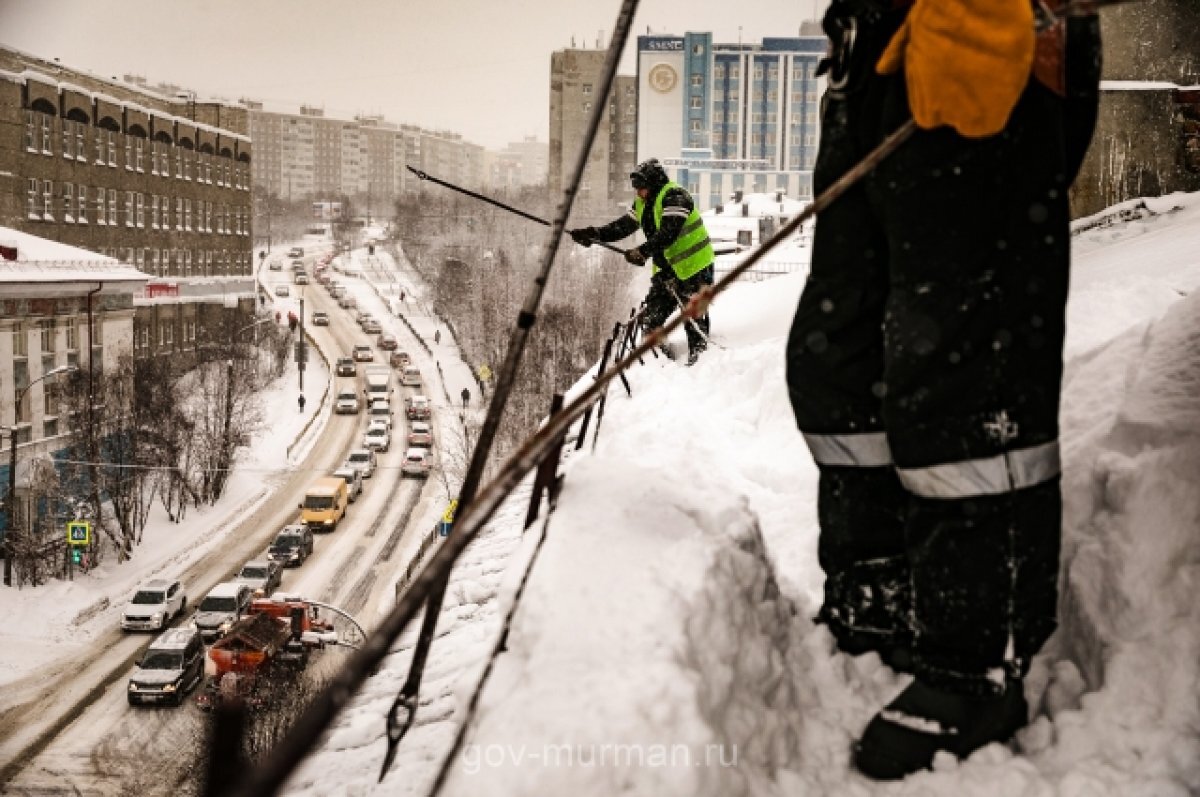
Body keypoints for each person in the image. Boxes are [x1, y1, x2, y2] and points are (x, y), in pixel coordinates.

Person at [785, 0, 1102, 780]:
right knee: (838, 359)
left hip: (987, 30)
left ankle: (975, 659)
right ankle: (879, 575)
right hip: (877, 50)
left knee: (962, 367)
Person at [568, 159, 715, 367]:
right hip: (667, 271)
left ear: (654, 184)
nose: (638, 193)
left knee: (694, 321)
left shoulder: (676, 197)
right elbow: (623, 226)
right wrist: (595, 234)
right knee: (651, 322)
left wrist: (642, 252)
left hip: (695, 268)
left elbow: (669, 232)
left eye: (642, 188)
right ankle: (663, 365)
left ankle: (699, 363)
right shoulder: (643, 203)